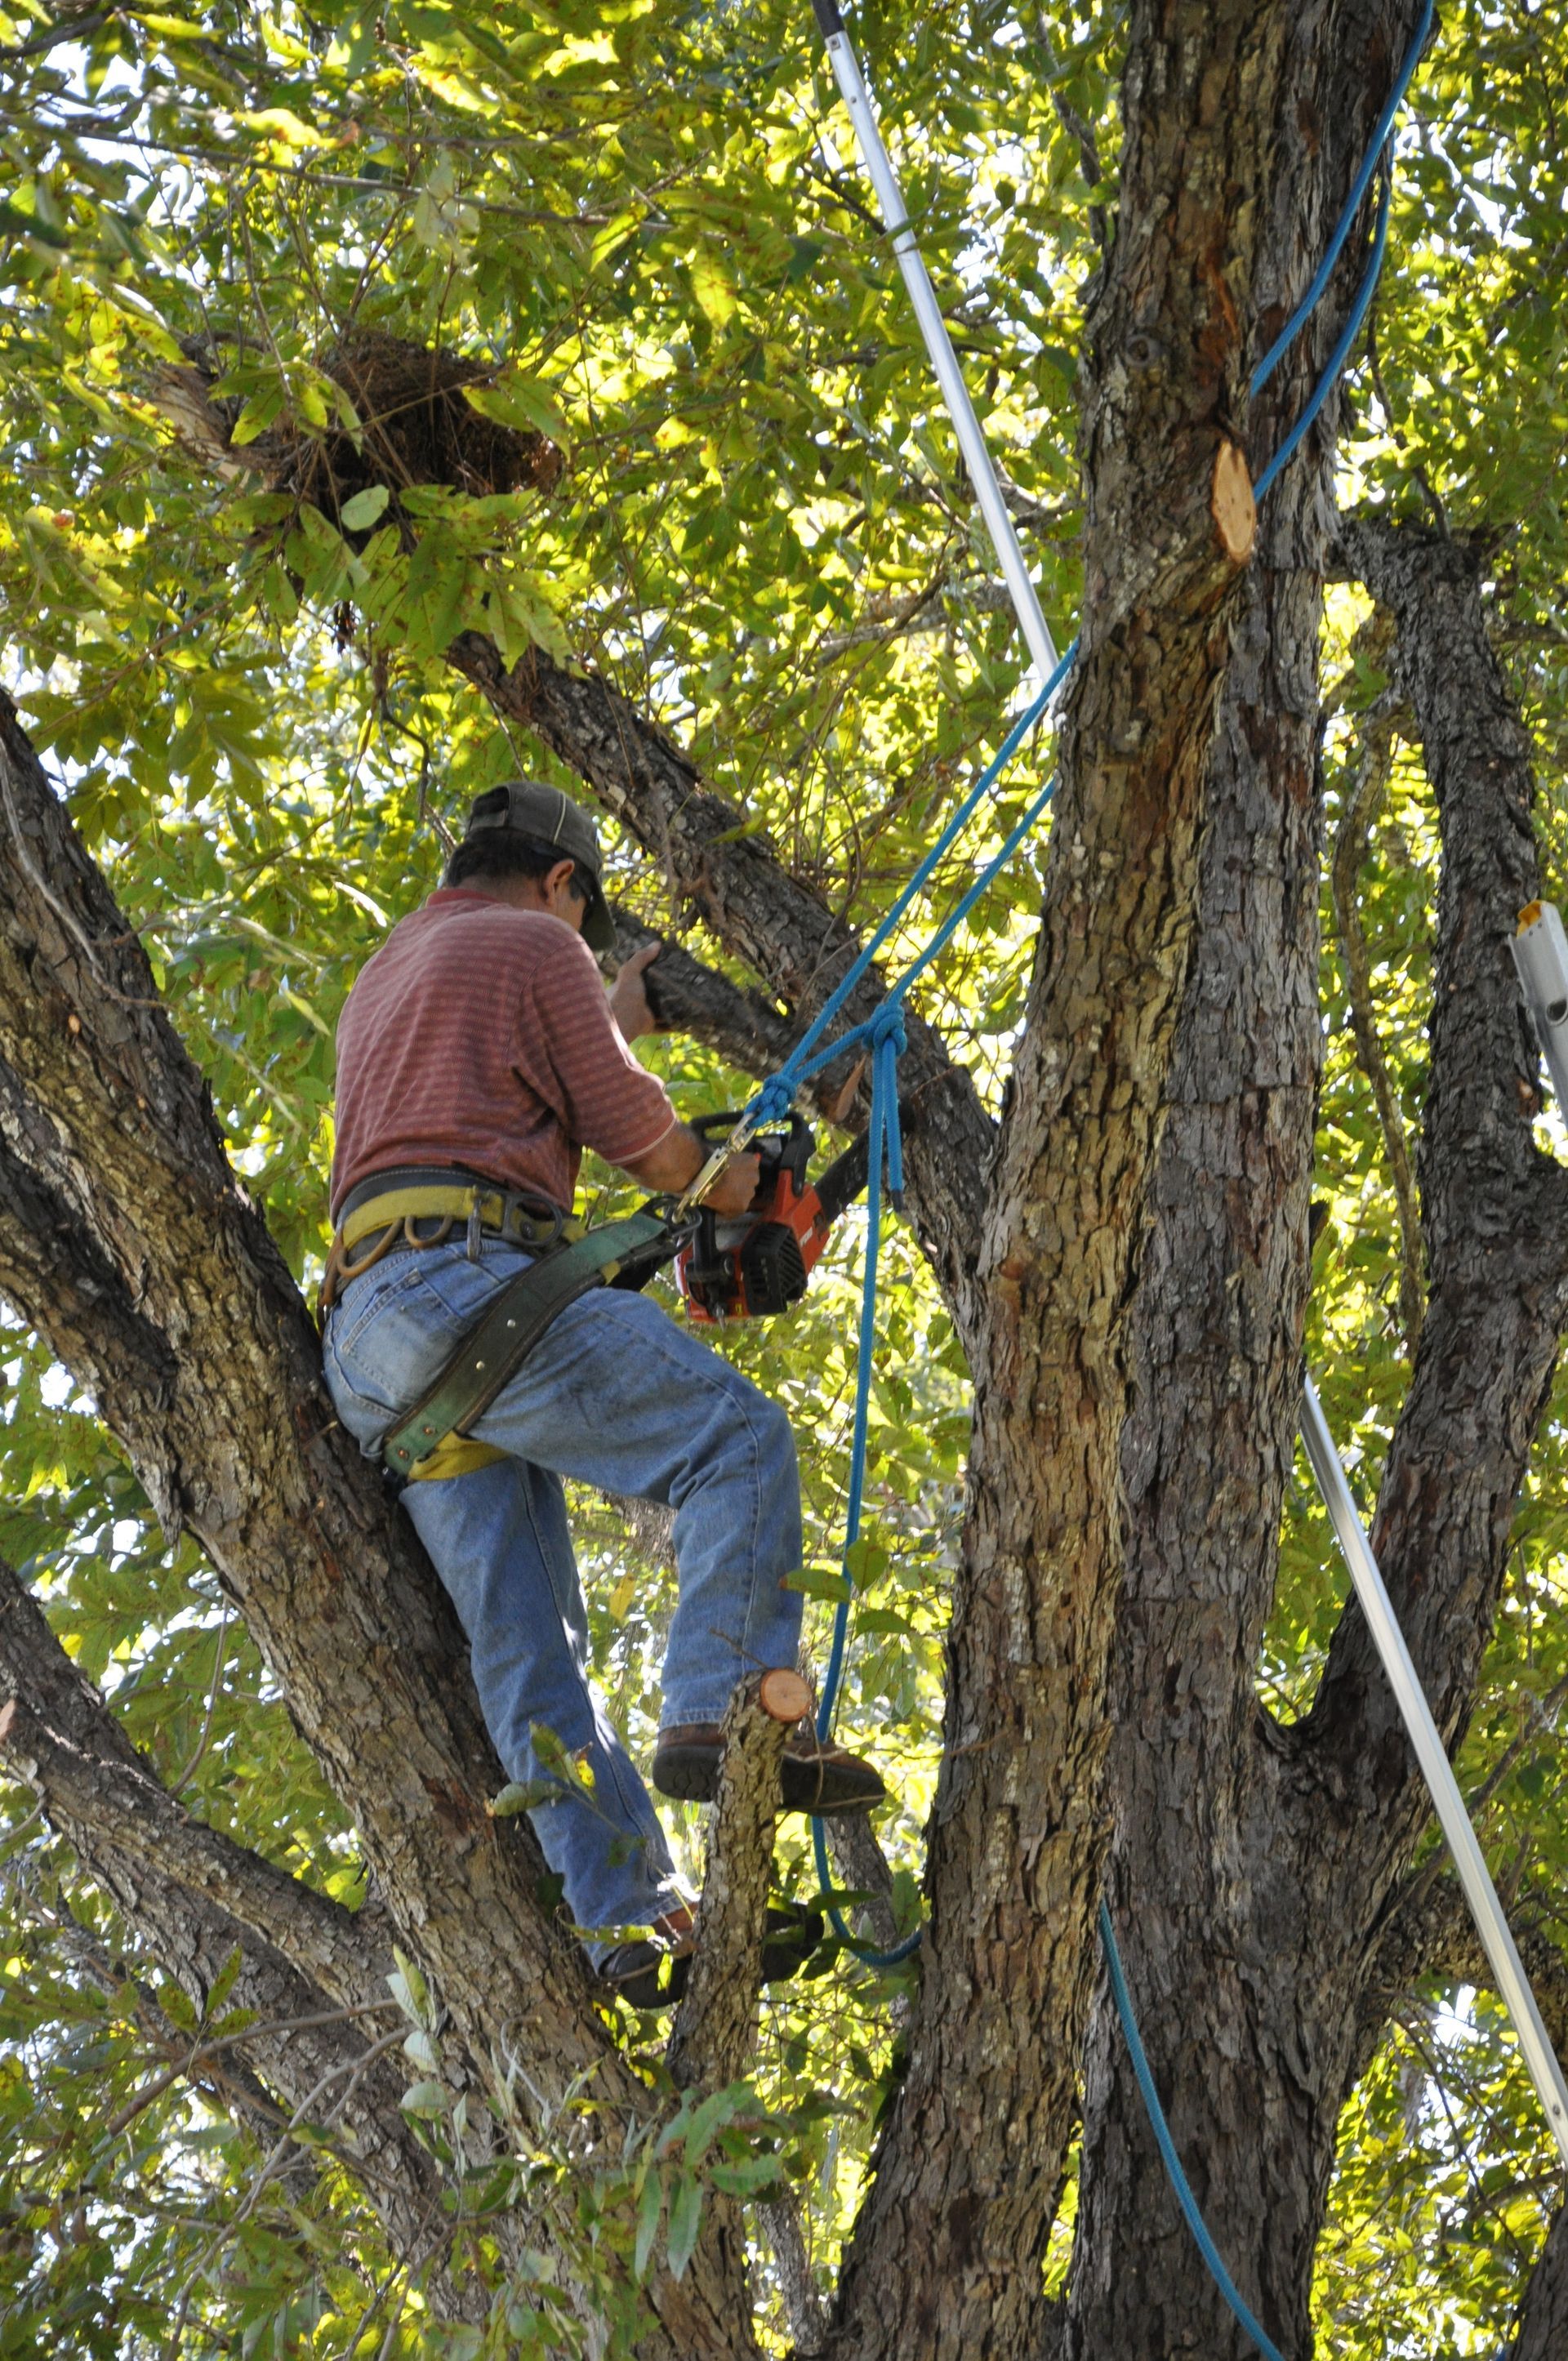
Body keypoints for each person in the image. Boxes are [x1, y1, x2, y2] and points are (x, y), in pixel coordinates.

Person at [319, 779, 884, 2002]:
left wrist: (614, 1015)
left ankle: (628, 1917)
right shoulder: (536, 943)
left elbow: (514, 1078)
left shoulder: (393, 971)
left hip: (377, 1343)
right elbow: (646, 1141)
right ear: (565, 883)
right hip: (466, 1289)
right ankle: (724, 1702)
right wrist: (738, 1192)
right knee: (734, 1442)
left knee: (532, 1649)